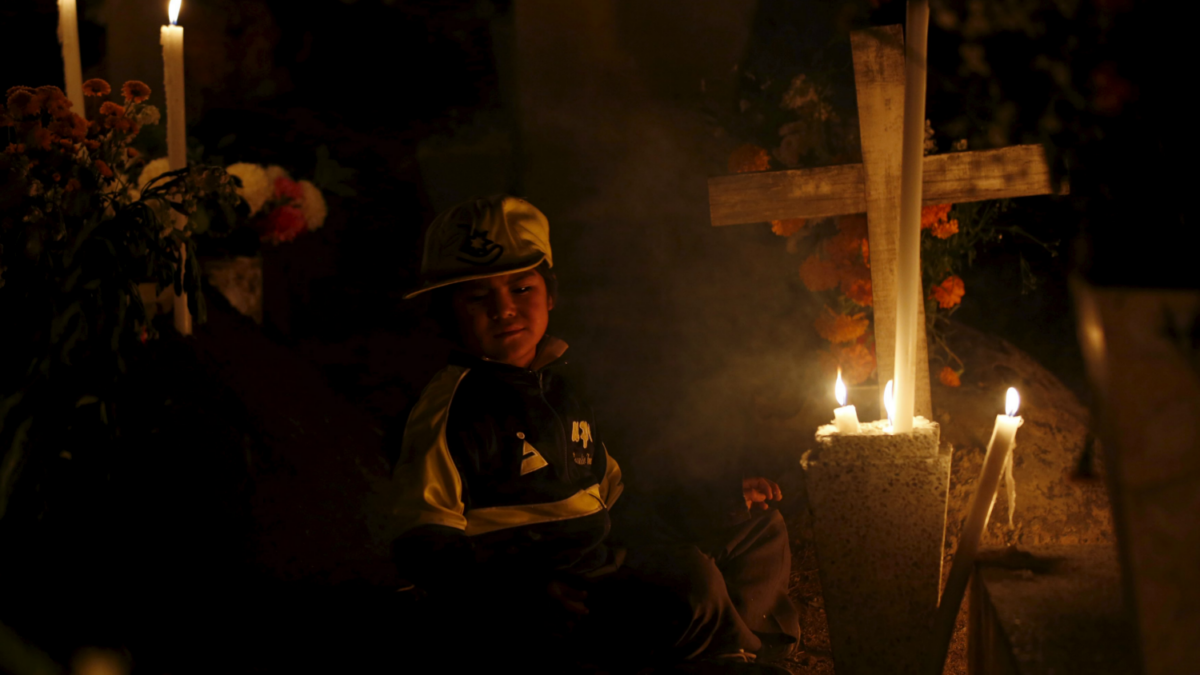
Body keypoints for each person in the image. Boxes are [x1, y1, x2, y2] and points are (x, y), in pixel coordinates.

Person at [389, 195, 799, 672]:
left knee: (757, 531)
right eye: (478, 297)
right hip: (550, 594)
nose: (504, 309)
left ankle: (742, 649)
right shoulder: (453, 406)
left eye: (521, 288)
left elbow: (619, 499)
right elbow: (422, 540)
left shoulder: (561, 386)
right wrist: (513, 591)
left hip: (606, 556)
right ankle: (722, 655)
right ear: (446, 313)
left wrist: (719, 503)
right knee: (687, 577)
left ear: (550, 293)